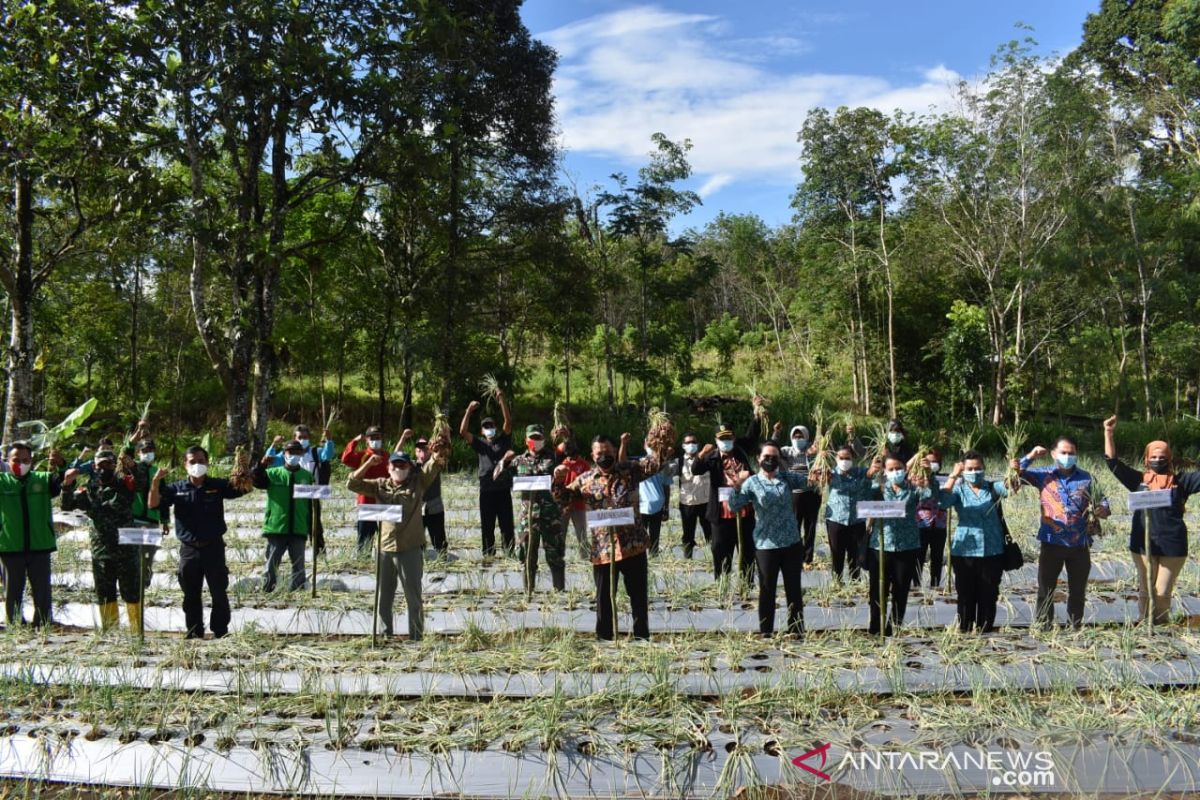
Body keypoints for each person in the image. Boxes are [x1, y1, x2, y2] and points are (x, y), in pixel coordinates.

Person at [552, 433, 671, 640]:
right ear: (592, 455)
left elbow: (656, 464)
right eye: (599, 453)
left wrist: (662, 441)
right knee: (604, 599)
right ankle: (605, 639)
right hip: (603, 551)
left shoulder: (631, 471)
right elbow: (563, 499)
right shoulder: (585, 480)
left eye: (607, 452)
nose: (604, 456)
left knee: (638, 598)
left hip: (633, 546)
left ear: (615, 451)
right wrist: (558, 480)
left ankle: (641, 639)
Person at [1103, 415, 1200, 624]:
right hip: (1142, 544)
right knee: (1146, 589)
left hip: (1173, 545)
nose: (1158, 460)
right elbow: (1113, 464)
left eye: (1163, 456)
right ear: (1147, 459)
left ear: (1170, 458)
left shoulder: (1182, 481)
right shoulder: (1138, 481)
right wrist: (1108, 433)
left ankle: (1161, 626)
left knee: (1162, 592)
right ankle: (1144, 626)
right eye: (1154, 456)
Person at [149, 446, 251, 639]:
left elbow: (243, 488)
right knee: (190, 594)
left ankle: (220, 631)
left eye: (201, 461)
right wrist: (155, 483)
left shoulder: (217, 485)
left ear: (207, 462)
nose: (197, 465)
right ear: (185, 464)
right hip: (189, 550)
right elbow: (153, 504)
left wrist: (244, 467)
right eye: (192, 462)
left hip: (213, 548)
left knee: (219, 592)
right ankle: (195, 631)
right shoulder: (176, 488)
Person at [347, 446, 446, 640]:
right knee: (384, 597)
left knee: (414, 598)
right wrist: (368, 463)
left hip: (410, 549)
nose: (399, 468)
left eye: (403, 465)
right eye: (395, 464)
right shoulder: (379, 485)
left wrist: (436, 452)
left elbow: (433, 464)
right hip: (384, 549)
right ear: (388, 467)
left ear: (409, 467)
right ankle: (385, 635)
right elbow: (352, 483)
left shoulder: (418, 483)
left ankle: (416, 636)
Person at [1019, 437, 1111, 629]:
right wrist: (1031, 456)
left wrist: (1103, 509)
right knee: (1046, 589)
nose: (1067, 456)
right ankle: (1043, 627)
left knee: (1078, 590)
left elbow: (1102, 501)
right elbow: (1015, 474)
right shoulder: (1043, 475)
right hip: (1052, 542)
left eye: (1071, 453)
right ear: (1053, 454)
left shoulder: (1087, 478)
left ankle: (1074, 626)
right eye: (1063, 452)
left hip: (1080, 544)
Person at [728, 440, 809, 637]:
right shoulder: (752, 482)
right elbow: (735, 506)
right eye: (766, 457)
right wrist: (737, 487)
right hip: (766, 544)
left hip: (791, 542)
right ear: (758, 459)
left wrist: (818, 472)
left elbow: (810, 482)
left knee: (793, 589)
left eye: (774, 457)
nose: (770, 460)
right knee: (766, 589)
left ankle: (796, 629)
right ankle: (766, 631)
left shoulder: (787, 478)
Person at [62, 450, 142, 631]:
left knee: (132, 592)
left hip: (126, 550)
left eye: (107, 464)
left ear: (115, 466)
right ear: (94, 467)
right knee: (105, 593)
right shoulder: (89, 489)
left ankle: (137, 632)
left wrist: (134, 468)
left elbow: (143, 485)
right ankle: (111, 633)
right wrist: (67, 484)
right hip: (101, 550)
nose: (103, 469)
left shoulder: (125, 484)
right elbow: (67, 505)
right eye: (100, 465)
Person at [691, 398, 765, 585]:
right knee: (720, 550)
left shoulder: (740, 449)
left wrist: (756, 411)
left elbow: (753, 434)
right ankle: (722, 585)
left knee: (747, 550)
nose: (726, 442)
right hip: (721, 514)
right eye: (722, 439)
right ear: (716, 440)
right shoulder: (712, 456)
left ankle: (747, 584)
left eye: (729, 438)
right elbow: (696, 470)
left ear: (733, 438)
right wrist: (701, 454)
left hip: (745, 511)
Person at [862, 454, 936, 635]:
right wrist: (869, 474)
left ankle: (894, 627)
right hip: (880, 546)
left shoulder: (913, 488)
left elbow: (930, 494)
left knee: (901, 590)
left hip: (907, 546)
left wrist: (928, 474)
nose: (896, 472)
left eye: (899, 468)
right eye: (891, 469)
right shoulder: (878, 488)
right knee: (877, 591)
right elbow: (862, 497)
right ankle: (876, 627)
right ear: (885, 472)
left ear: (905, 469)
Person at [939, 452, 1012, 633]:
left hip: (992, 550)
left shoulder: (993, 488)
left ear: (984, 468)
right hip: (964, 551)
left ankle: (985, 633)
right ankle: (965, 631)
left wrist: (1016, 466)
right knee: (965, 595)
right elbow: (942, 502)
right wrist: (953, 476)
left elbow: (1011, 485)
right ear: (963, 469)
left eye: (978, 468)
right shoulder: (959, 490)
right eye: (969, 469)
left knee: (989, 595)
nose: (974, 472)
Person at [0, 442, 63, 627]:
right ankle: (16, 623)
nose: (21, 463)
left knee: (42, 588)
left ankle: (43, 622)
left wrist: (61, 463)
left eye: (25, 460)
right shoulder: (2, 482)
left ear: (32, 461)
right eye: (16, 460)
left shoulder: (43, 479)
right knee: (12, 590)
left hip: (40, 544)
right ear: (7, 461)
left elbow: (63, 483)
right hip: (10, 545)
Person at [498, 424, 566, 591]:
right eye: (532, 438)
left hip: (551, 515)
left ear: (544, 439)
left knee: (555, 555)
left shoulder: (553, 457)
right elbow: (498, 479)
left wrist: (565, 435)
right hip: (528, 517)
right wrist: (504, 461)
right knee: (527, 556)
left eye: (539, 438)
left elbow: (569, 452)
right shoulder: (518, 460)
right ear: (526, 440)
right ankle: (529, 593)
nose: (535, 442)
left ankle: (560, 592)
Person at [252, 439, 315, 593]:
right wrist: (261, 465)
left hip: (299, 527)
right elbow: (256, 481)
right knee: (272, 563)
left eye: (297, 452)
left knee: (299, 564)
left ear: (302, 454)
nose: (293, 455)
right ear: (284, 454)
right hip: (276, 527)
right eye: (290, 452)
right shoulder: (273, 473)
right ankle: (267, 590)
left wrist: (314, 529)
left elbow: (312, 505)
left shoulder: (307, 476)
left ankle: (298, 592)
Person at [460, 392, 515, 556]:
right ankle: (488, 555)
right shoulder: (480, 443)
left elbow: (508, 422)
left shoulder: (503, 441)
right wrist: (469, 410)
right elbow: (463, 431)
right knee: (487, 525)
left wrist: (502, 400)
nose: (489, 429)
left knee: (506, 524)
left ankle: (509, 553)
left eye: (491, 426)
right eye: (486, 427)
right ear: (482, 431)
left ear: (495, 428)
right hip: (486, 491)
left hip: (503, 489)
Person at [267, 424, 333, 557]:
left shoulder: (316, 452)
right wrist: (273, 445)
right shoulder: (287, 453)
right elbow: (270, 461)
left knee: (315, 526)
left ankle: (319, 553)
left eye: (305, 437)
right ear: (294, 438)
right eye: (300, 437)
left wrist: (329, 441)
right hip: (290, 495)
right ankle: (277, 553)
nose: (303, 440)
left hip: (311, 495)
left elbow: (328, 455)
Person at [821, 444, 871, 583]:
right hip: (836, 519)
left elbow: (873, 472)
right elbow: (815, 473)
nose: (844, 461)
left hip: (856, 520)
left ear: (853, 458)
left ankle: (855, 581)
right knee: (837, 553)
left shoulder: (860, 472)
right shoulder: (830, 473)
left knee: (854, 554)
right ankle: (837, 581)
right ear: (836, 458)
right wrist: (819, 456)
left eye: (847, 458)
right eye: (841, 458)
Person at [341, 425, 392, 554]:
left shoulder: (387, 456)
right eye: (372, 438)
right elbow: (345, 459)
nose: (376, 440)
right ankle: (364, 562)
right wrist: (355, 441)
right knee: (365, 541)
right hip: (366, 504)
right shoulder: (362, 456)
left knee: (387, 538)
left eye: (378, 437)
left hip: (384, 502)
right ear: (367, 440)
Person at [777, 423, 820, 565]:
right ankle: (796, 554)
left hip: (812, 493)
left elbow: (819, 467)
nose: (798, 439)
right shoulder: (787, 451)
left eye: (801, 436)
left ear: (806, 437)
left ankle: (808, 557)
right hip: (794, 494)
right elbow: (772, 448)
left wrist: (812, 455)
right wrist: (776, 434)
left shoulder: (814, 450)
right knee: (794, 525)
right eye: (795, 436)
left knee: (810, 526)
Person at [127, 438, 167, 588]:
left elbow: (163, 498)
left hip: (152, 521)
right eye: (144, 451)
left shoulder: (158, 471)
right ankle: (132, 589)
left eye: (150, 450)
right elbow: (124, 456)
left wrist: (164, 520)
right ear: (138, 453)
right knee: (132, 557)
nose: (148, 453)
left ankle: (144, 586)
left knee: (149, 557)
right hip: (134, 521)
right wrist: (136, 435)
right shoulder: (133, 469)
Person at [915, 448, 948, 587]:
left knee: (937, 556)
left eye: (934, 461)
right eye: (928, 461)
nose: (931, 464)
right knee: (919, 556)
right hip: (921, 524)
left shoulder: (945, 478)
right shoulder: (917, 478)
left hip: (940, 524)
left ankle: (935, 584)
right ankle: (916, 584)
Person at [676, 432, 712, 559]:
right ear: (683, 446)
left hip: (706, 501)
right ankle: (688, 558)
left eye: (693, 442)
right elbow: (666, 473)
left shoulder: (707, 458)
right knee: (688, 533)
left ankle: (714, 558)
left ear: (698, 445)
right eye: (688, 442)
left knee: (710, 532)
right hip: (688, 503)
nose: (691, 444)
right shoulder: (679, 462)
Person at [557, 435, 592, 559]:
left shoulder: (584, 464)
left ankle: (585, 557)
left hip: (578, 503)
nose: (571, 454)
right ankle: (558, 556)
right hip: (564, 503)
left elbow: (589, 481)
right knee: (561, 532)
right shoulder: (562, 463)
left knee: (581, 533)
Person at [413, 436, 447, 556]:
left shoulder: (436, 462)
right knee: (417, 540)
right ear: (415, 452)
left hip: (435, 507)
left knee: (439, 540)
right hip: (418, 509)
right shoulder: (412, 466)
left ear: (430, 450)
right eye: (419, 450)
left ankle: (442, 559)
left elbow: (443, 454)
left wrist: (439, 447)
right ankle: (419, 561)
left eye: (425, 449)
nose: (422, 452)